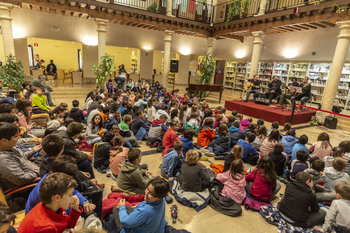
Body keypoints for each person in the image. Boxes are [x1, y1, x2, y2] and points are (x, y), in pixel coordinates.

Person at [18, 172, 83, 233]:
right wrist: (75, 231)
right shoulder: (43, 227)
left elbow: (66, 225)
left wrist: (75, 209)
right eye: (70, 195)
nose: (73, 197)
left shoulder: (54, 206)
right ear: (57, 197)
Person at [0, 122, 41, 211]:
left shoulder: (8, 147)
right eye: (15, 136)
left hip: (34, 174)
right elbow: (21, 179)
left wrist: (33, 151)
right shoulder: (3, 160)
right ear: (4, 140)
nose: (18, 138)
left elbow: (20, 158)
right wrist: (38, 172)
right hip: (28, 188)